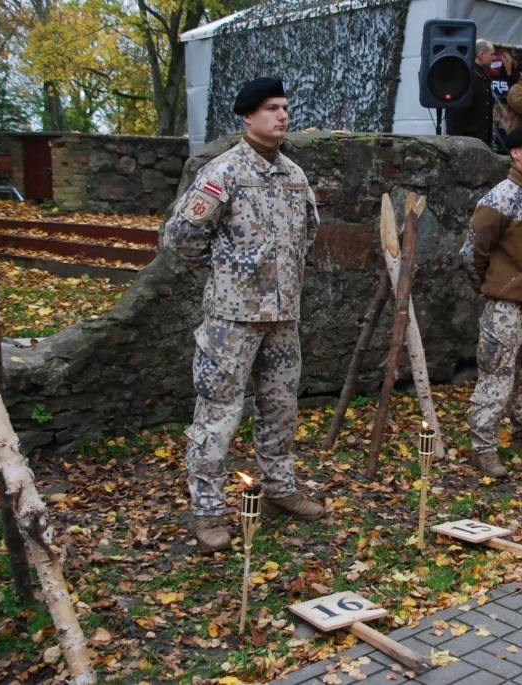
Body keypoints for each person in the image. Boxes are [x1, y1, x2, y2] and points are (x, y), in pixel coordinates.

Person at [163, 77, 324, 552]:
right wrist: (229, 270)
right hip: (231, 319)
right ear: (247, 117)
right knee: (219, 413)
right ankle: (208, 511)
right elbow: (182, 237)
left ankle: (280, 489)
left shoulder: (294, 175)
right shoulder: (224, 172)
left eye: (285, 107)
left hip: (282, 316)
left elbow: (307, 235)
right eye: (272, 108)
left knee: (280, 407)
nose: (282, 115)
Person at [458, 125, 522, 478]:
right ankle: (483, 447)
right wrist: (494, 288)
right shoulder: (499, 199)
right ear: (515, 154)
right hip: (505, 307)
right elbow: (471, 254)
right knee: (496, 375)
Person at [446, 39, 496, 146]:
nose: (494, 58)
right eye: (492, 54)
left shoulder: (482, 75)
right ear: (481, 54)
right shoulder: (466, 76)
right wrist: (456, 143)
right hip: (468, 141)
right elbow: (454, 114)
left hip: (481, 141)